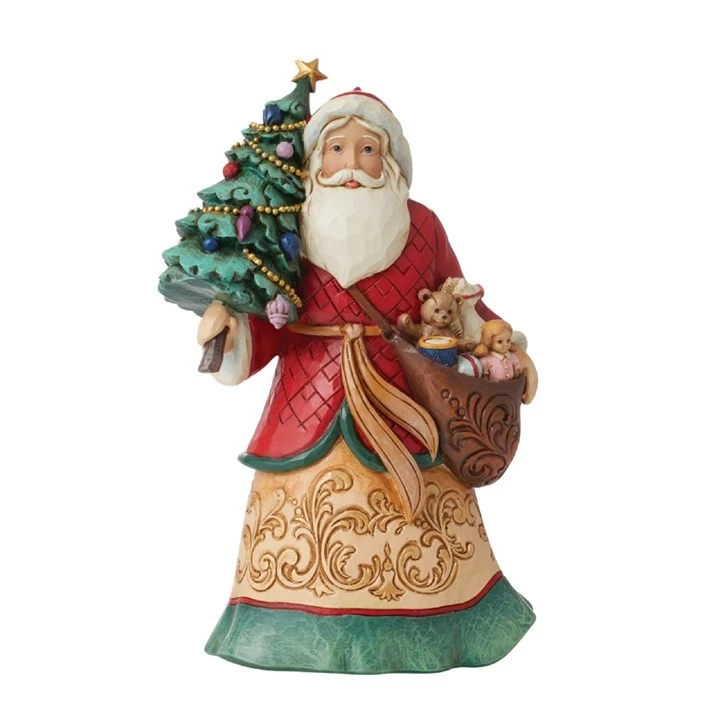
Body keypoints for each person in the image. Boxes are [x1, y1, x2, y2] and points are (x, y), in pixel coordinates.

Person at [198, 89, 538, 673]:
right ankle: (292, 625)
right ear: (315, 162)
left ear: (391, 162)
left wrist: (500, 343)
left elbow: (459, 302)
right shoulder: (286, 230)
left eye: (367, 149)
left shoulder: (422, 225)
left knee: (421, 522)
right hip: (306, 400)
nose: (350, 163)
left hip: (405, 395)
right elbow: (268, 317)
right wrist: (232, 333)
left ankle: (433, 623)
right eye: (336, 149)